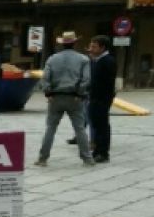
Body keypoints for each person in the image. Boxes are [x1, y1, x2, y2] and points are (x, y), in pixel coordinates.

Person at [34, 31, 94, 167]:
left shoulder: (52, 59)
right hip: (74, 97)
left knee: (50, 128)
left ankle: (43, 158)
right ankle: (87, 158)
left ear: (61, 44)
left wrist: (48, 93)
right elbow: (86, 79)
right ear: (75, 43)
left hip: (55, 97)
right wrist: (80, 94)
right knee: (79, 128)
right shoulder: (83, 59)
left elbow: (45, 78)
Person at [87, 35, 117, 163]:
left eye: (94, 47)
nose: (91, 49)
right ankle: (97, 150)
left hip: (102, 98)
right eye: (91, 46)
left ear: (102, 47)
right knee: (96, 124)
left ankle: (103, 152)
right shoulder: (97, 60)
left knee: (102, 125)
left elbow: (105, 83)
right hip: (94, 97)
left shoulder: (108, 61)